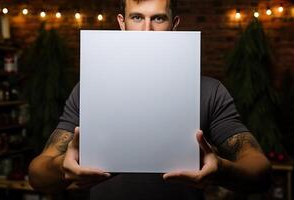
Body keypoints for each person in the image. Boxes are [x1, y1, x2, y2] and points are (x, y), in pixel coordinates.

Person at [28, 0, 272, 199]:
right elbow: (38, 176)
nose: (147, 30)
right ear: (122, 23)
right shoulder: (89, 90)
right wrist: (62, 166)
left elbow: (260, 171)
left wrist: (221, 169)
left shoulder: (209, 90)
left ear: (173, 24)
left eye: (158, 18)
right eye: (137, 17)